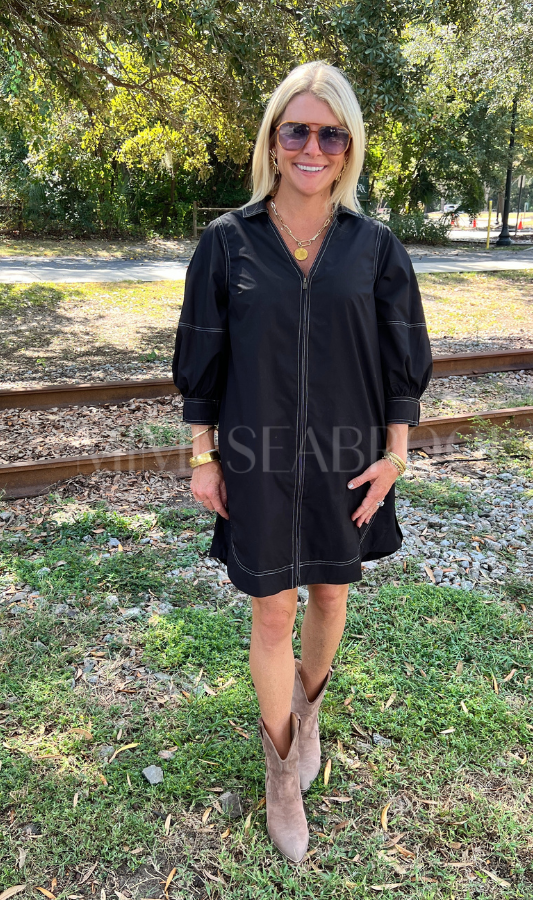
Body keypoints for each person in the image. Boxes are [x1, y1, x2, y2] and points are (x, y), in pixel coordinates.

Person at [172, 60, 432, 863]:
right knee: (271, 613)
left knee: (330, 594)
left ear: (349, 147)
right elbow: (202, 358)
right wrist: (203, 456)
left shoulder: (374, 247)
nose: (312, 148)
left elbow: (402, 362)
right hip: (255, 456)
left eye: (330, 134)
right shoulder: (228, 243)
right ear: (273, 140)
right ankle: (281, 773)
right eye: (297, 130)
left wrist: (395, 458)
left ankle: (309, 715)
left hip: (348, 458)